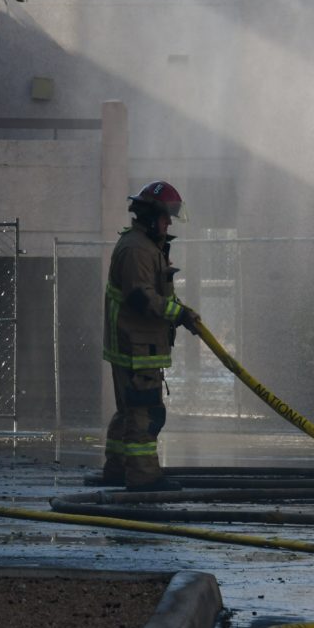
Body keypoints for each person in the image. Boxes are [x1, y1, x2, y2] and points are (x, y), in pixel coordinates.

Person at [102, 181, 200, 492]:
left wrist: (183, 312)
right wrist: (178, 315)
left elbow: (157, 293)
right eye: (165, 216)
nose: (169, 222)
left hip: (136, 343)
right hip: (136, 346)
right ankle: (143, 476)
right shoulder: (137, 250)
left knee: (128, 411)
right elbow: (141, 297)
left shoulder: (144, 245)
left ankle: (117, 469)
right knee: (145, 413)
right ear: (150, 216)